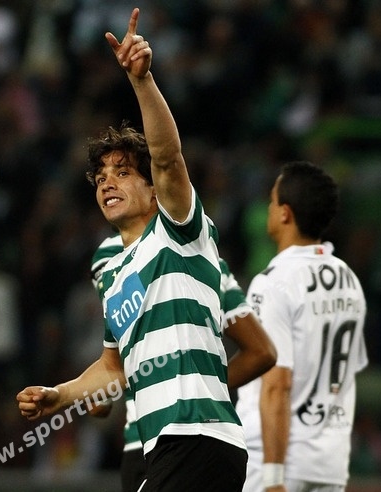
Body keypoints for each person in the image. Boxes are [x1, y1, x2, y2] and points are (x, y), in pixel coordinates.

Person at [17, 8, 274, 491]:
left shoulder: (178, 231)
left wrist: (142, 81)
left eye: (122, 173)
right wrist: (60, 396)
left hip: (197, 435)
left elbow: (168, 158)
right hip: (164, 447)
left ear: (154, 191)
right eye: (100, 177)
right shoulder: (114, 274)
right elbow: (112, 368)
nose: (106, 183)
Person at [90, 234, 277, 491]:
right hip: (211, 437)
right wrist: (203, 384)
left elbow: (261, 352)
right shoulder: (207, 253)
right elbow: (261, 351)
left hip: (152, 440)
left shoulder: (113, 253)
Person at [235, 161, 368, 492]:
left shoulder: (274, 282)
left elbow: (276, 384)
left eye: (272, 201)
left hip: (276, 461)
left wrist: (273, 476)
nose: (268, 208)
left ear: (285, 213)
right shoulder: (349, 280)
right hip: (328, 464)